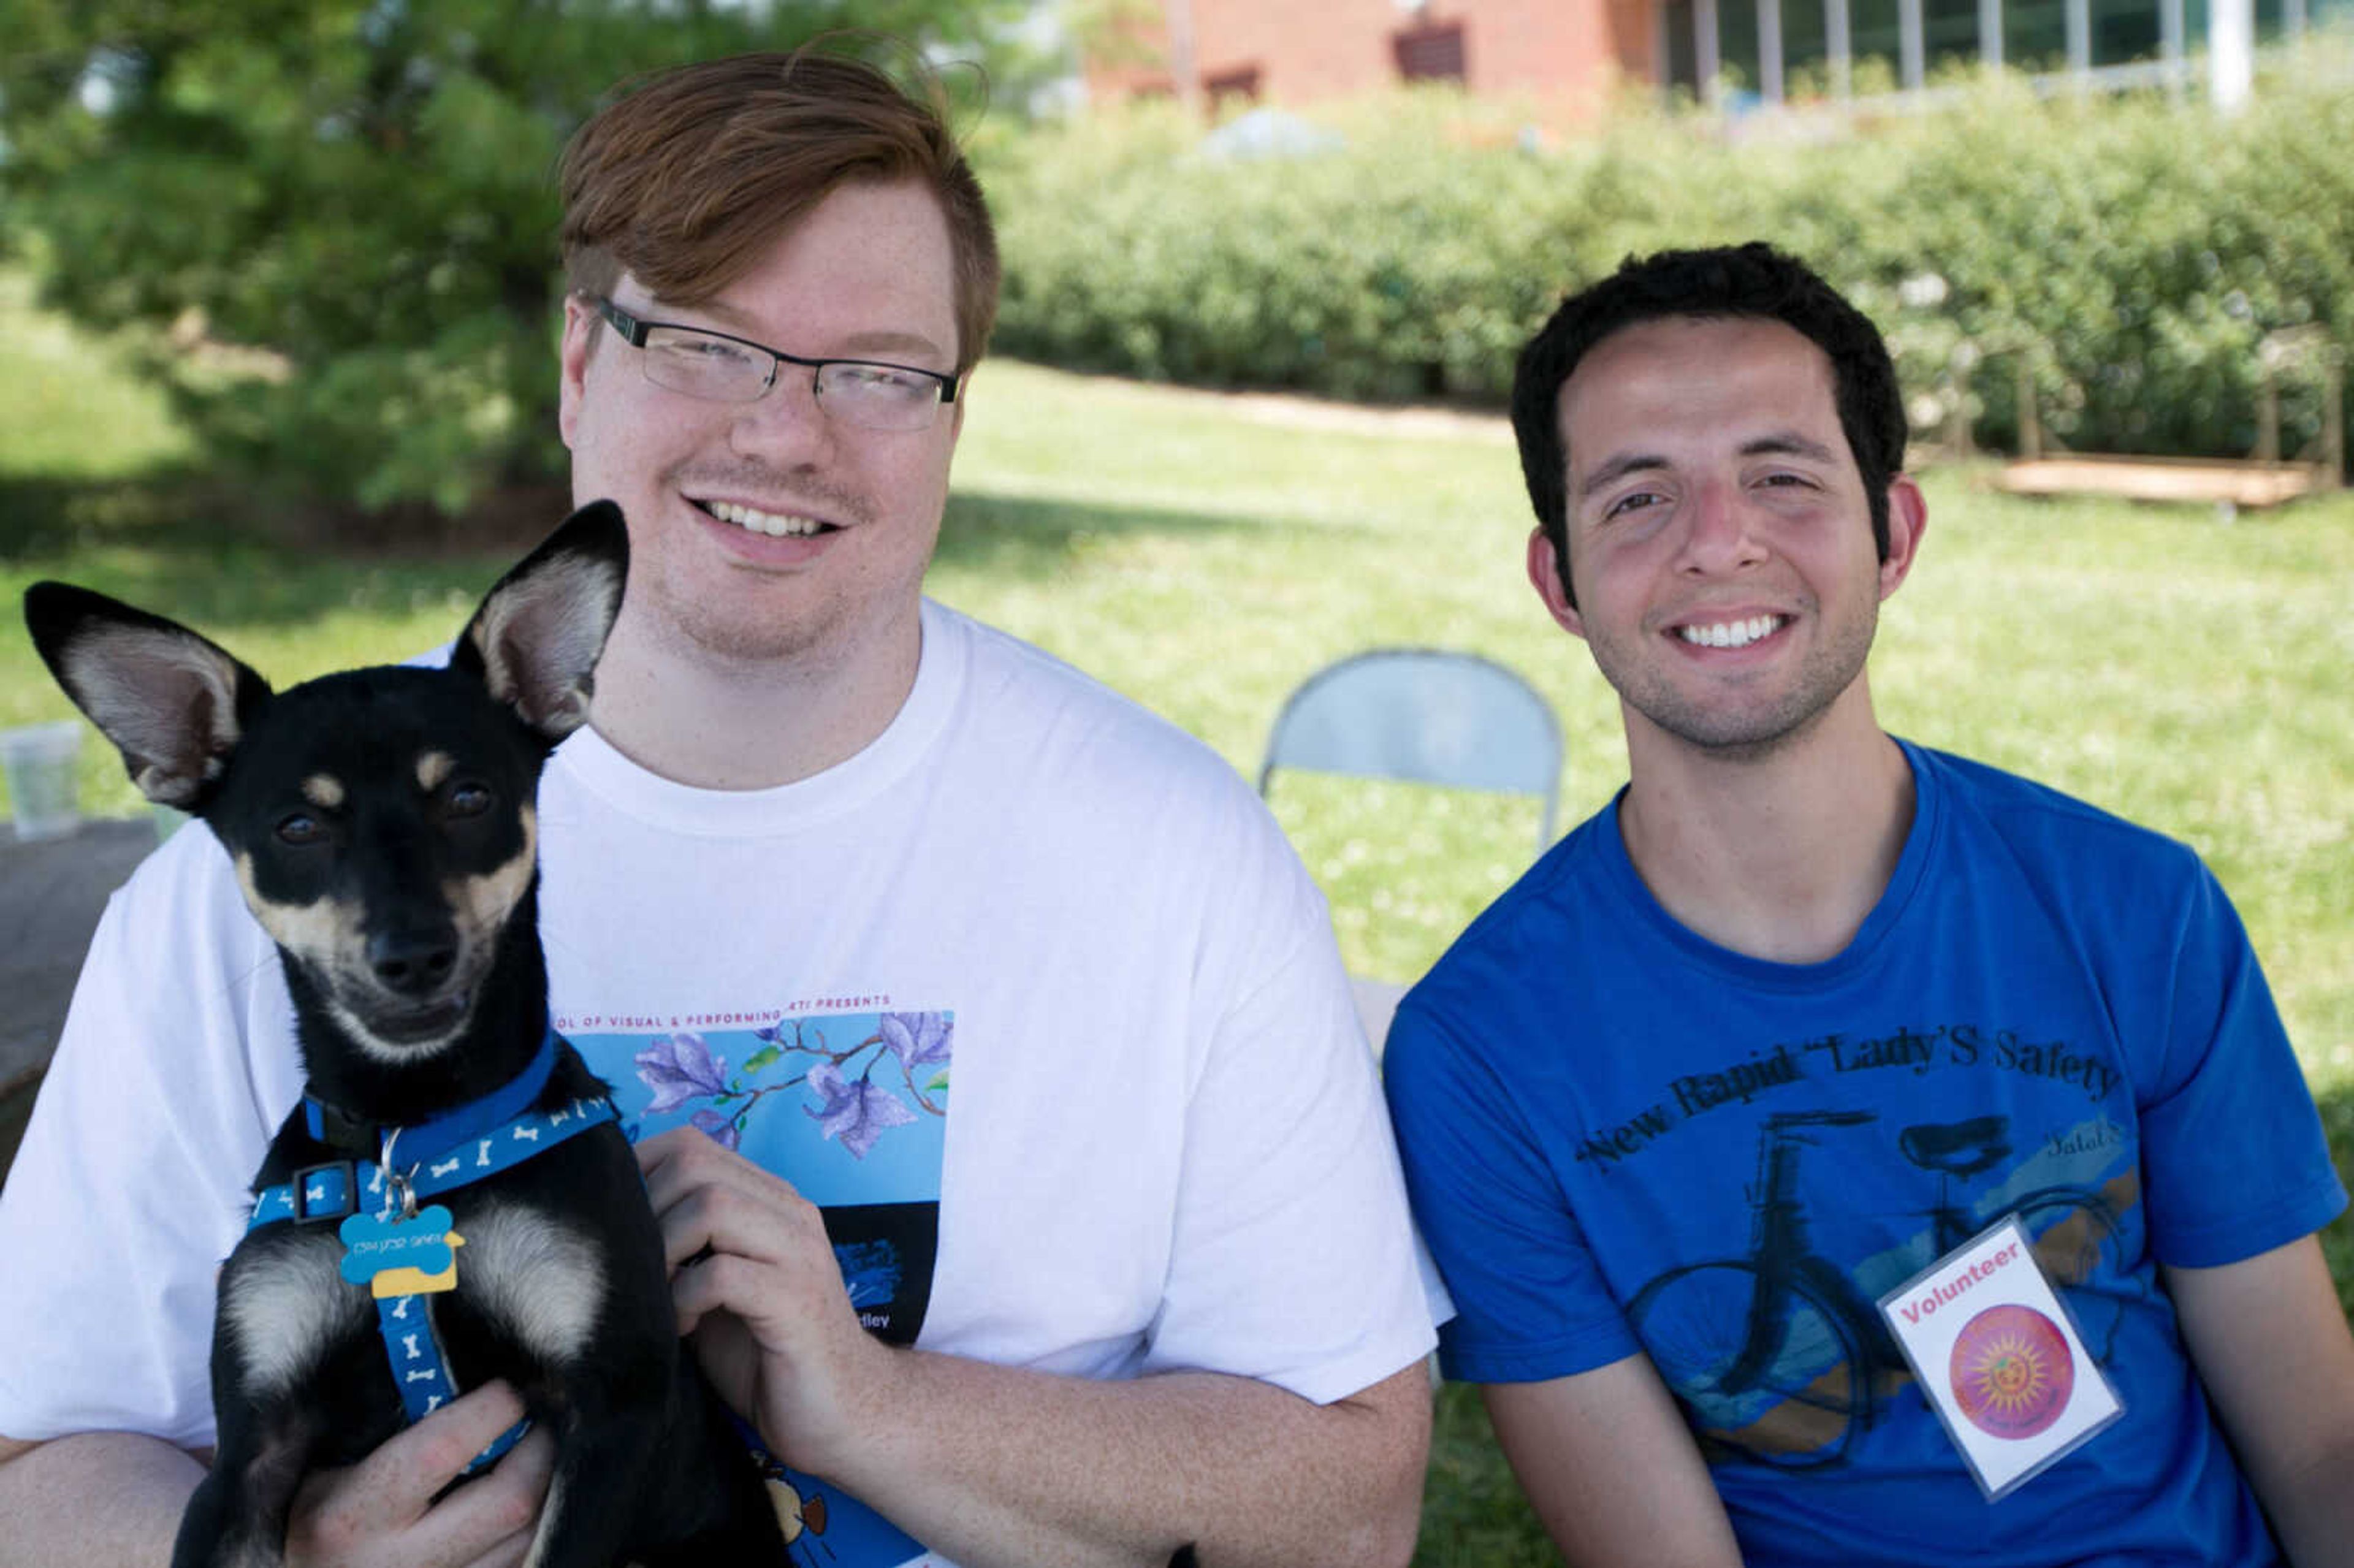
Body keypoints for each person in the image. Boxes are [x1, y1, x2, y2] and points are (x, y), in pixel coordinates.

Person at [0, 48, 1439, 1568]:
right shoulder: (238, 888)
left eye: (880, 369)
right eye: (704, 342)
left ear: (956, 416)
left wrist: (872, 1406)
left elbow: (1349, 1510)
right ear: (575, 368)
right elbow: (32, 1470)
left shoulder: (1177, 857)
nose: (785, 433)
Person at [1382, 242, 2354, 1566]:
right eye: (1637, 499)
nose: (1720, 542)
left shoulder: (2136, 912)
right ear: (1558, 582)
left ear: (1894, 533)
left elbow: (2318, 1451)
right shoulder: (1481, 1056)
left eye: (1781, 476)